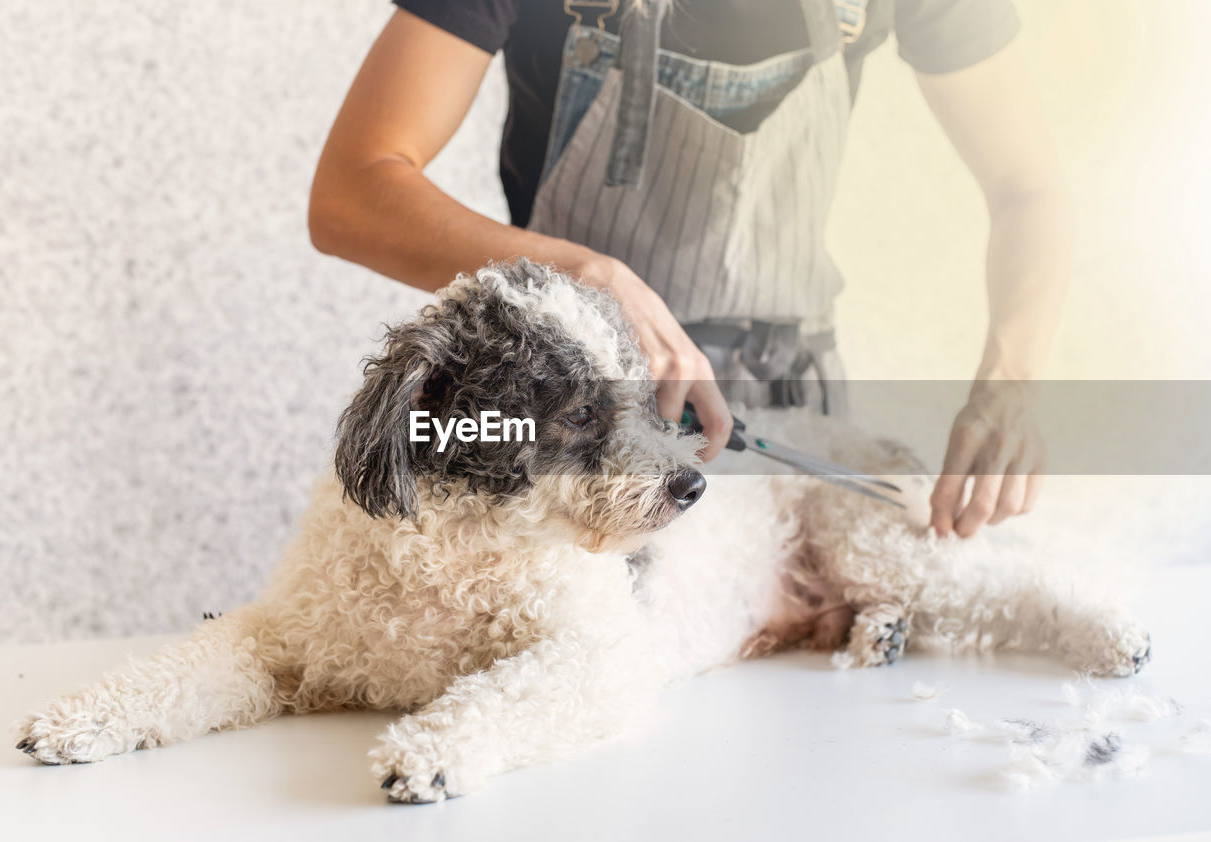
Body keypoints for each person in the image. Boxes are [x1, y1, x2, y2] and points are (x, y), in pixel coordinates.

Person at [307, 0, 1072, 538]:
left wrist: (1009, 384)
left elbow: (1029, 190)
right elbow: (351, 195)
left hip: (791, 405)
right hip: (573, 440)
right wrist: (589, 277)